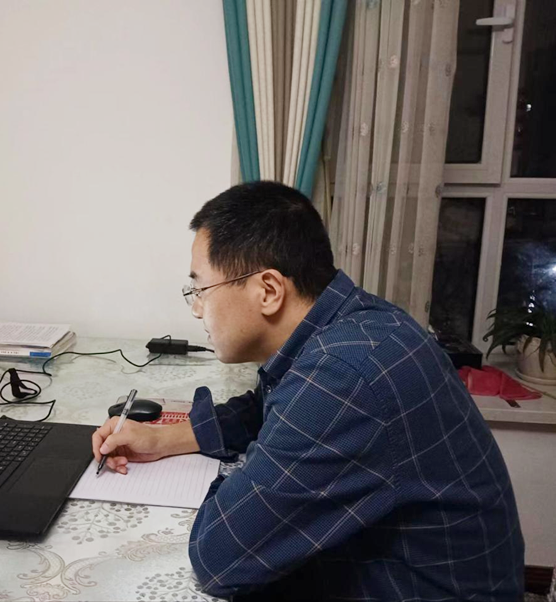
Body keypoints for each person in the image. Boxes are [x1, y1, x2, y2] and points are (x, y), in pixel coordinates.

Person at [92, 182, 524, 601]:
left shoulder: (344, 375)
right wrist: (164, 439)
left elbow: (220, 559)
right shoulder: (353, 323)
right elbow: (263, 408)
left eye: (202, 289)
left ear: (268, 290)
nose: (196, 308)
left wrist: (241, 469)